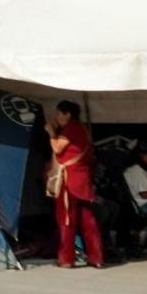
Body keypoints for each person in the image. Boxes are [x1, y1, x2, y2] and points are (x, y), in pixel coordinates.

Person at [45, 100, 103, 269]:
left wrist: (51, 132)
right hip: (83, 180)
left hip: (69, 180)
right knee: (89, 221)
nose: (57, 117)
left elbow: (57, 148)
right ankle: (96, 257)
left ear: (67, 114)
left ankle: (66, 259)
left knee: (66, 220)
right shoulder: (84, 130)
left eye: (59, 114)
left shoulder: (71, 128)